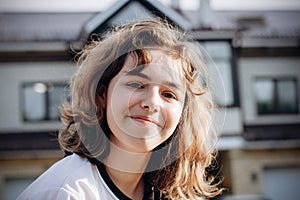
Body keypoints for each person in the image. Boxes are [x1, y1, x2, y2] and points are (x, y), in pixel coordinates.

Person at [17, 19, 223, 200]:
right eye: (136, 84)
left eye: (169, 94)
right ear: (102, 95)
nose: (152, 102)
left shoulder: (166, 194)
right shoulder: (67, 192)